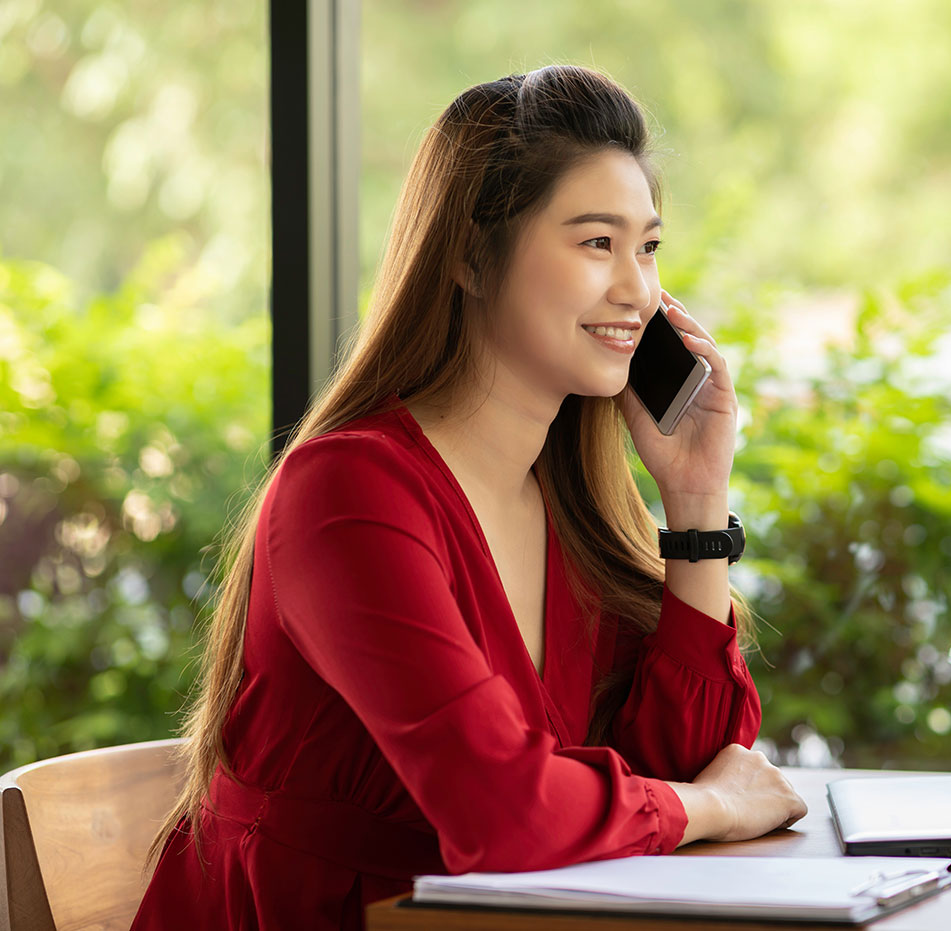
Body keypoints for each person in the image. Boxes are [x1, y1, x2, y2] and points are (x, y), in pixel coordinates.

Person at [131, 65, 807, 930]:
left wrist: (697, 501)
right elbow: (510, 814)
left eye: (648, 248)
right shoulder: (348, 495)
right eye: (596, 243)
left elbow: (686, 760)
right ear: (469, 257)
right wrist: (713, 807)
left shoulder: (567, 505)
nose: (637, 290)